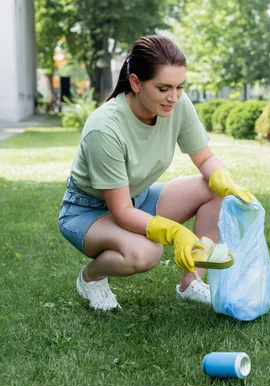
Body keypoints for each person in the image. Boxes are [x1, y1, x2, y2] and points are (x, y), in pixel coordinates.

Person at [58, 35, 255, 311]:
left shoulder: (178, 105)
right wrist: (175, 233)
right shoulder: (104, 129)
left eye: (179, 87)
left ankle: (191, 283)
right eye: (163, 88)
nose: (173, 97)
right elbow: (122, 212)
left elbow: (204, 158)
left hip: (136, 198)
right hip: (88, 212)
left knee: (214, 188)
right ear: (136, 83)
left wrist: (224, 178)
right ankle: (90, 277)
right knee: (146, 252)